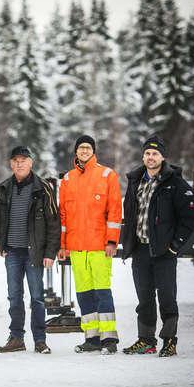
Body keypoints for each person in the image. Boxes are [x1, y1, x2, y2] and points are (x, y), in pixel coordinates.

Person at [120, 136, 194, 357]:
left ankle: (169, 341)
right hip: (140, 250)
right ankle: (146, 340)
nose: (150, 157)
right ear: (143, 156)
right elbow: (131, 215)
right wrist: (129, 244)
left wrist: (174, 247)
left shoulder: (175, 183)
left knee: (166, 298)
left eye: (154, 153)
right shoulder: (136, 181)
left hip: (164, 252)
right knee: (144, 299)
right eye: (147, 153)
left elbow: (189, 219)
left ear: (163, 157)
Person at [0, 146, 60, 355]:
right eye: (15, 160)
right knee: (14, 296)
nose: (19, 163)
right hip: (12, 252)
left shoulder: (43, 188)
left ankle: (40, 340)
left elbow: (54, 223)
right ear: (11, 164)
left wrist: (50, 253)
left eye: (23, 160)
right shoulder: (3, 188)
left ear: (31, 163)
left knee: (37, 297)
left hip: (34, 253)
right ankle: (16, 338)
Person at [58, 135, 122, 355]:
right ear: (75, 152)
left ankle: (109, 339)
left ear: (93, 151)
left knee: (102, 291)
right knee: (84, 293)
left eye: (88, 147)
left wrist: (112, 241)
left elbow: (115, 211)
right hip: (76, 248)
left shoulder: (107, 175)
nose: (84, 151)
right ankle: (92, 337)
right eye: (80, 148)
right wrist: (63, 245)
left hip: (99, 247)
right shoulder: (67, 180)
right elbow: (63, 217)